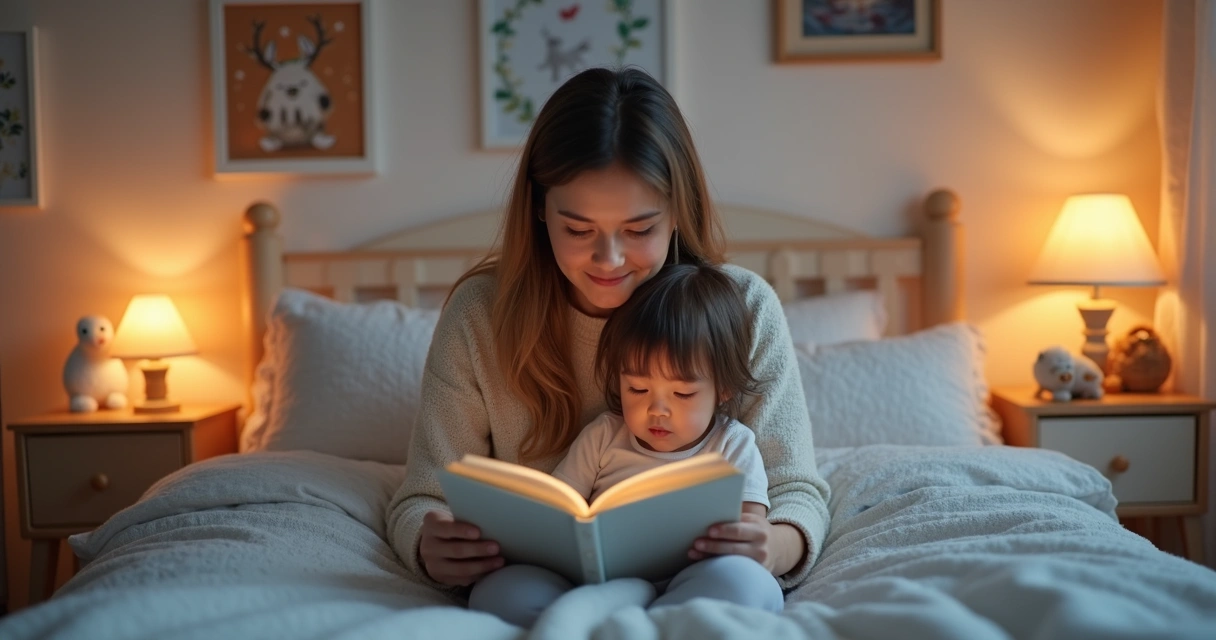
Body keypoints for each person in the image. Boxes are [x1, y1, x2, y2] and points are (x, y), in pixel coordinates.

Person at [385, 66, 830, 620]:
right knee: (501, 600)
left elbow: (794, 490)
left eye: (640, 230)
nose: (610, 260)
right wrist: (430, 547)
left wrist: (775, 544)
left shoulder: (743, 308)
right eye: (578, 230)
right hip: (543, 575)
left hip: (703, 569)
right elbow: (423, 495)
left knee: (741, 591)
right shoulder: (481, 314)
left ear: (676, 214)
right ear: (539, 209)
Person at [468, 263, 784, 626]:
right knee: (498, 591)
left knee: (748, 584)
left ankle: (635, 624)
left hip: (695, 581)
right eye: (637, 389)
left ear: (723, 389)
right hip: (599, 584)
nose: (657, 410)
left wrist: (738, 545)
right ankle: (636, 624)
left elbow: (751, 528)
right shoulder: (604, 435)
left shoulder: (733, 444)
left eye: (682, 393)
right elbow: (558, 510)